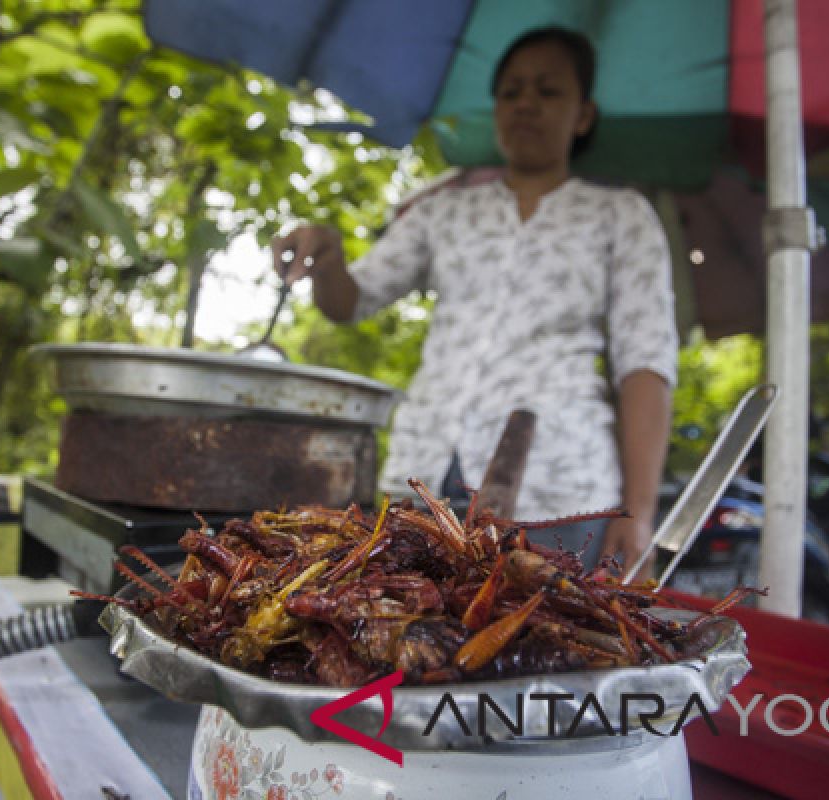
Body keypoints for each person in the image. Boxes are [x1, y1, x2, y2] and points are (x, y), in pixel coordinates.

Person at [270, 27, 677, 574]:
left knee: (543, 645)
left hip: (560, 491)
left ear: (583, 115)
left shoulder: (622, 216)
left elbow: (644, 362)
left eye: (548, 90)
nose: (525, 103)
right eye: (510, 92)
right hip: (425, 477)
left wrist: (640, 512)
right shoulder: (446, 208)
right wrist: (330, 254)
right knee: (407, 638)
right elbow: (352, 301)